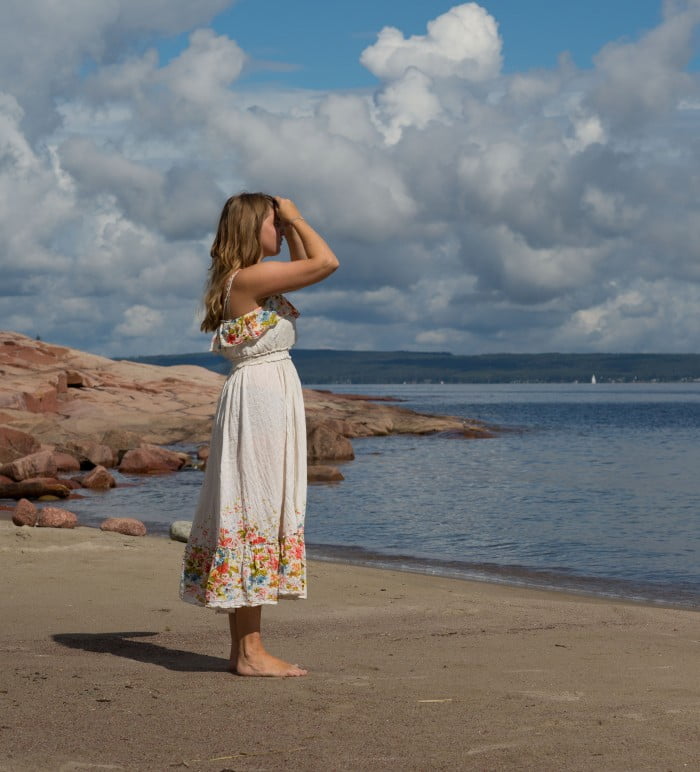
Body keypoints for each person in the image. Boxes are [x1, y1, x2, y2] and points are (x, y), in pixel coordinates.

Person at [180, 193, 339, 677]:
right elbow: (325, 262)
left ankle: (244, 650)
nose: (282, 227)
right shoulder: (247, 279)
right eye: (273, 222)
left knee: (253, 510)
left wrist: (285, 226)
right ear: (254, 227)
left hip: (264, 397)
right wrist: (297, 216)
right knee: (254, 510)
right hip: (261, 402)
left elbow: (305, 265)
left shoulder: (249, 278)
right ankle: (250, 652)